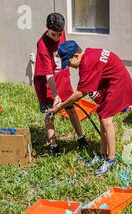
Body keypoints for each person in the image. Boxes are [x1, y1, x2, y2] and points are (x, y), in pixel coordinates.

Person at [48, 41, 132, 176]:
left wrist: (60, 106)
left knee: (106, 119)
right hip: (112, 81)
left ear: (76, 56)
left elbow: (80, 93)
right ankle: (102, 154)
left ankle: (111, 158)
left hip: (118, 83)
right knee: (102, 113)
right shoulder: (89, 55)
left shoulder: (87, 63)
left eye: (69, 62)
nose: (70, 66)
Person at [33, 12, 89, 157]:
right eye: (53, 34)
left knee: (71, 108)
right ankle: (54, 146)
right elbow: (48, 74)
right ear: (47, 28)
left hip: (62, 78)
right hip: (47, 83)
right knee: (50, 113)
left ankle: (81, 138)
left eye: (59, 34)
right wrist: (56, 95)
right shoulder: (42, 45)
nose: (57, 37)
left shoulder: (61, 32)